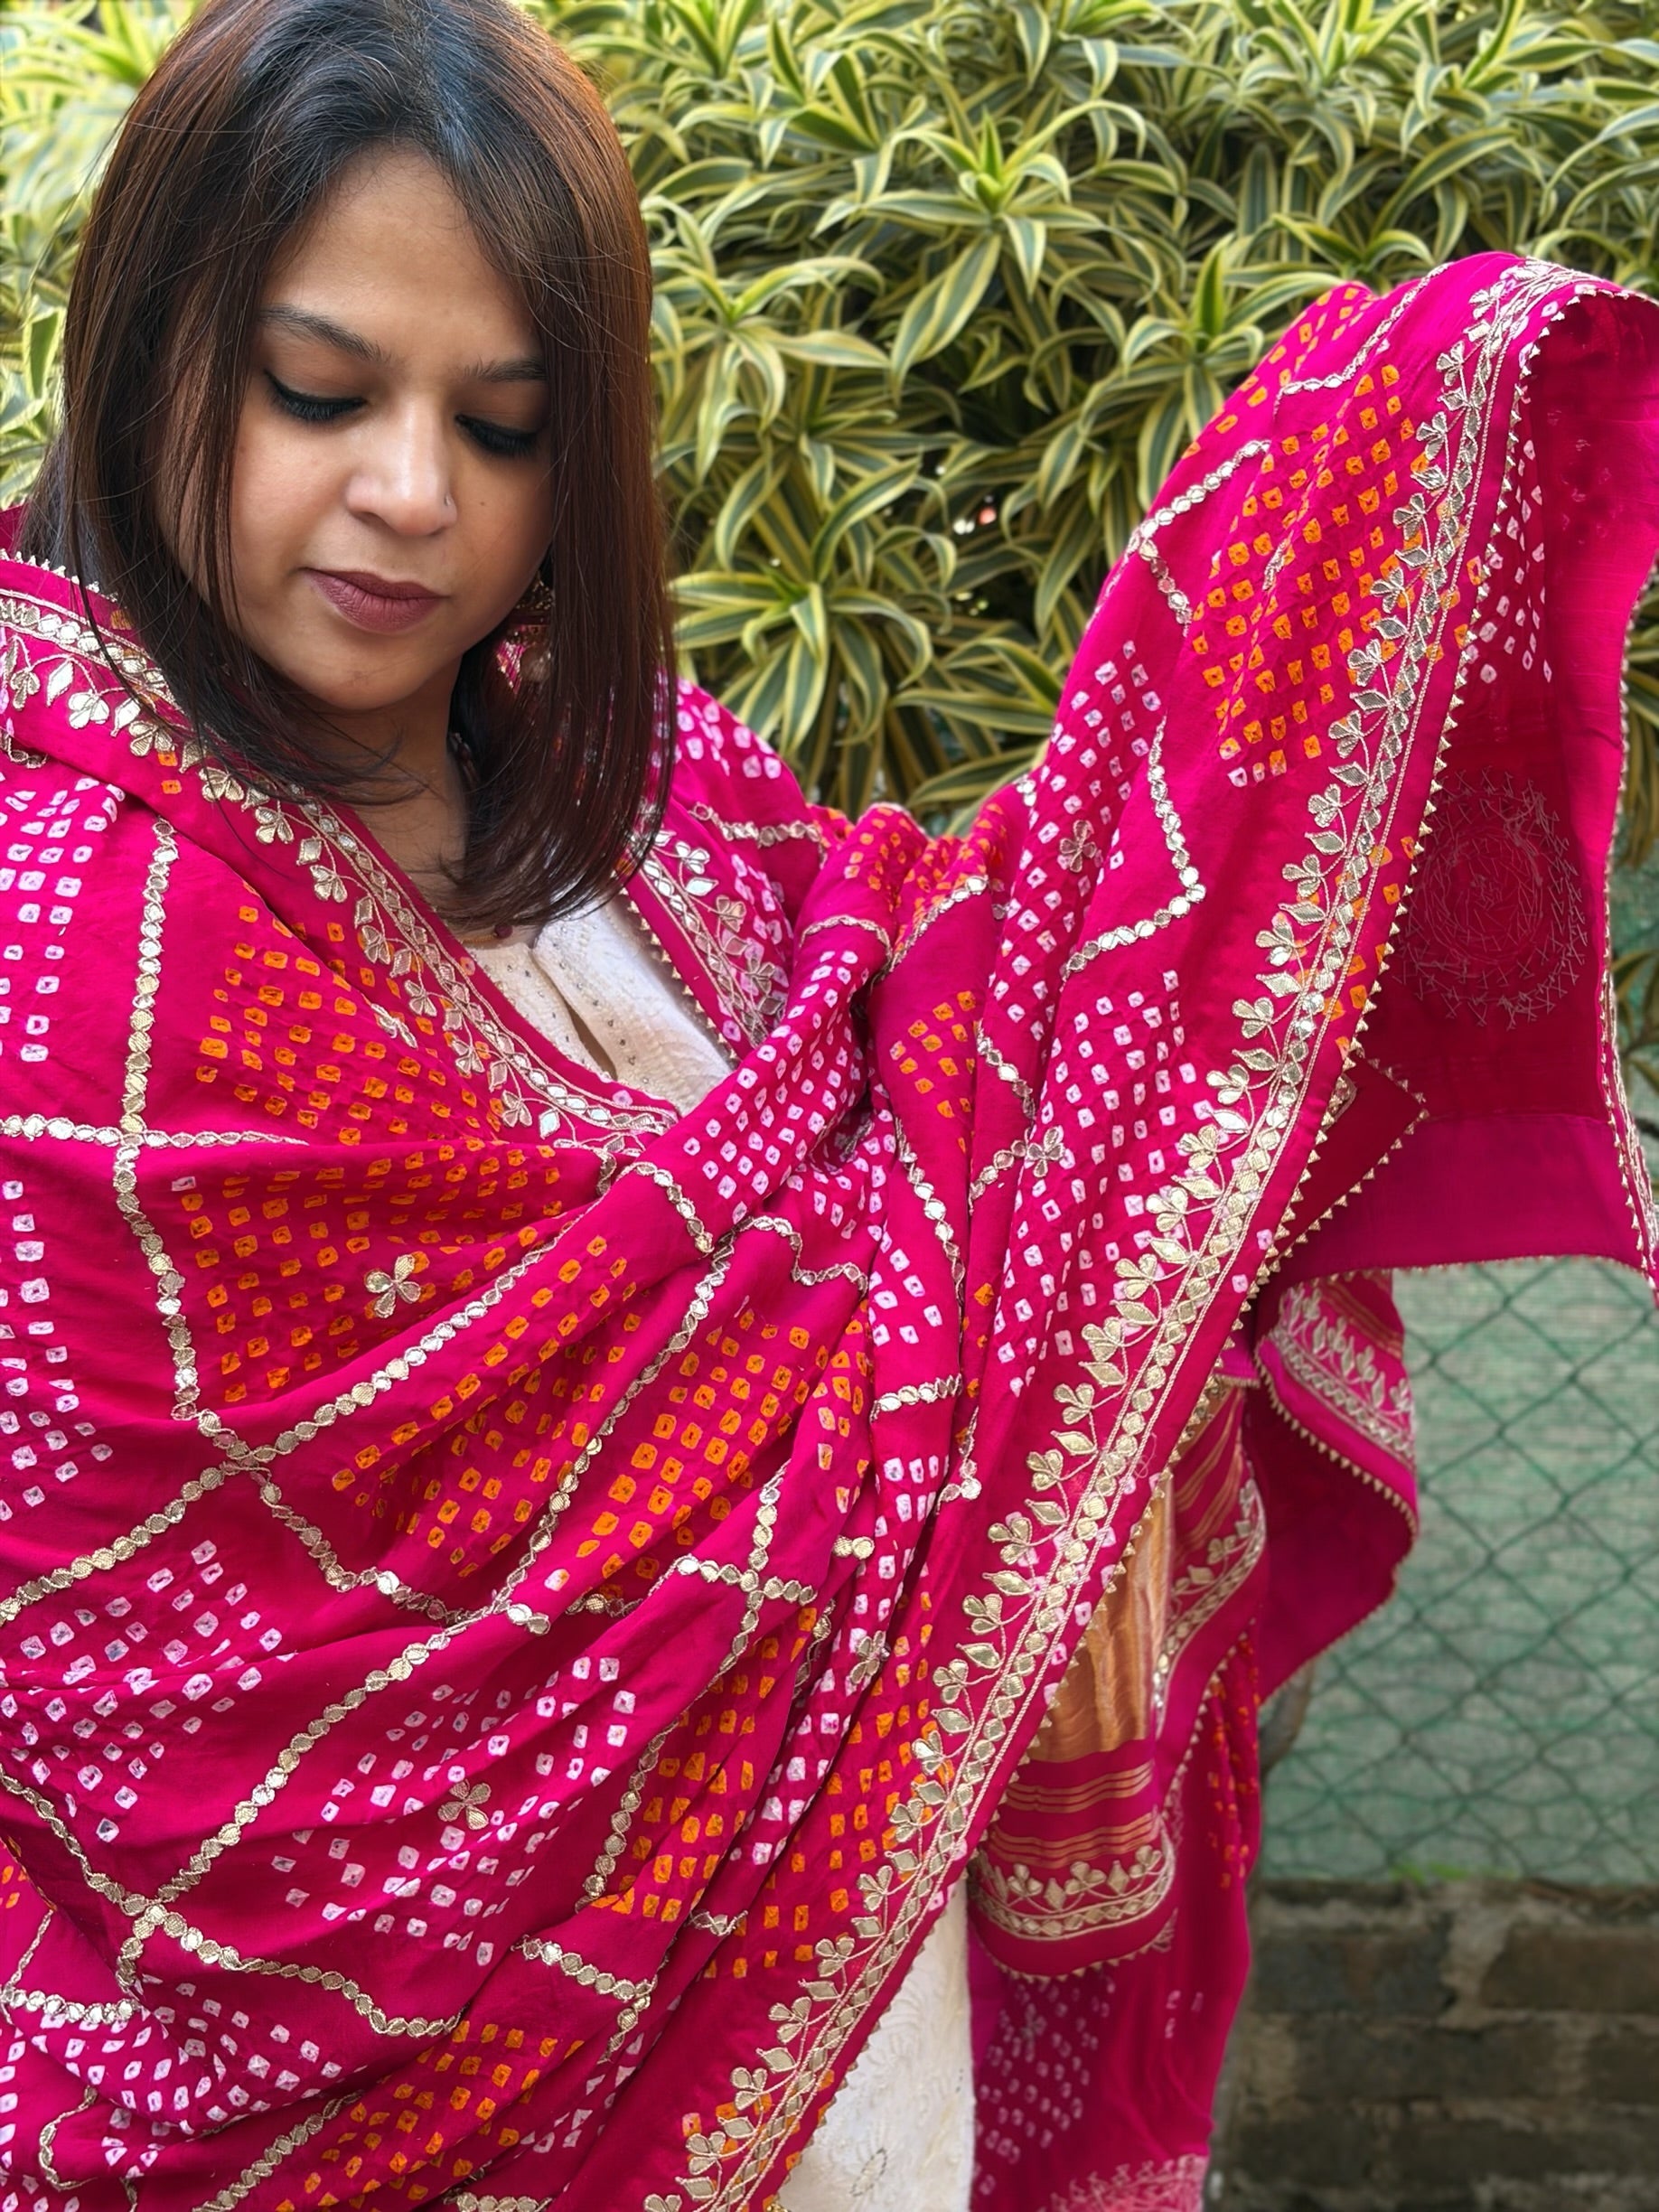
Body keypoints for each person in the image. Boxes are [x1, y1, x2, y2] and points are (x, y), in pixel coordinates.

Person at [2, 4, 1655, 2208]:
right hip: (378, 2126)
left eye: (502, 431)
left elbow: (945, 1047)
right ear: (146, 358)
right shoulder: (68, 944)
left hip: (850, 2048)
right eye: (322, 392)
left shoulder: (619, 772)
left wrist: (1311, 582)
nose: (410, 494)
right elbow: (268, 1735)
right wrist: (999, 1513)